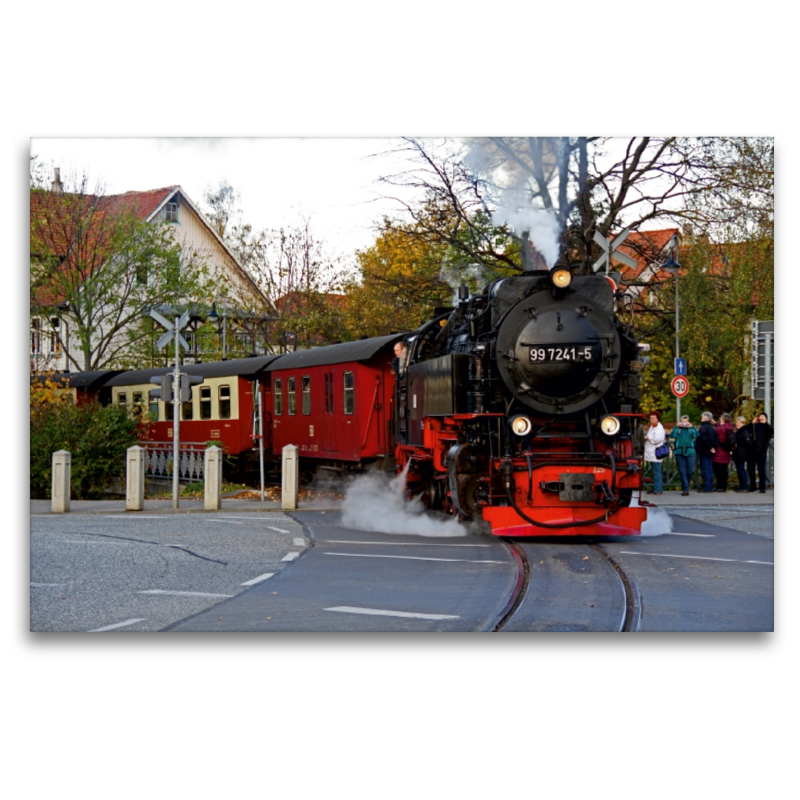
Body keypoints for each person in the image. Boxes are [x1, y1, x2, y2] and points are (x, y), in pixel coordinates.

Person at [669, 414, 698, 495]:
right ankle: (685, 489)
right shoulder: (678, 429)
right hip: (679, 451)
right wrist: (676, 426)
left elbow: (697, 435)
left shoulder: (690, 429)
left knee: (689, 471)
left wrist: (692, 427)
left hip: (690, 451)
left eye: (686, 422)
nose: (684, 423)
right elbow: (672, 435)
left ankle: (686, 486)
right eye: (683, 422)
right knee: (682, 471)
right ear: (680, 422)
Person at [748, 412, 774, 493]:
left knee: (761, 469)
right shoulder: (755, 426)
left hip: (761, 451)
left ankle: (762, 487)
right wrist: (752, 423)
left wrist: (765, 423)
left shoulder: (767, 427)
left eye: (763, 417)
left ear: (766, 419)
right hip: (752, 450)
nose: (761, 418)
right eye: (760, 417)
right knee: (751, 469)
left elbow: (771, 431)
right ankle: (753, 486)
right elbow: (747, 430)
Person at [695, 411, 719, 493]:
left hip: (704, 450)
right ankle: (710, 486)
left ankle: (707, 487)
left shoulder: (703, 427)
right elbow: (716, 439)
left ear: (704, 418)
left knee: (705, 468)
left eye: (702, 417)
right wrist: (713, 448)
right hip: (710, 451)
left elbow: (703, 438)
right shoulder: (712, 428)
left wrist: (710, 447)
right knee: (709, 468)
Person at [644, 411, 666, 494]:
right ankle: (656, 488)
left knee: (657, 471)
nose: (652, 419)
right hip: (652, 452)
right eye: (651, 418)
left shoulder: (659, 428)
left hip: (656, 452)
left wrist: (648, 437)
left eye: (653, 418)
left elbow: (658, 439)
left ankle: (658, 489)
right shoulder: (653, 426)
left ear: (657, 419)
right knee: (655, 471)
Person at [712, 413, 735, 492]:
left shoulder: (720, 429)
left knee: (718, 470)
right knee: (724, 470)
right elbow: (721, 428)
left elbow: (719, 433)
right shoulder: (730, 426)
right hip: (726, 451)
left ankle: (720, 487)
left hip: (719, 451)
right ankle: (723, 486)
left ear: (723, 419)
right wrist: (715, 423)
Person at [732, 415, 753, 492]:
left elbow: (748, 442)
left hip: (741, 453)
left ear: (743, 423)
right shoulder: (739, 430)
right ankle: (743, 486)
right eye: (737, 422)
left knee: (741, 470)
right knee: (740, 470)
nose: (738, 423)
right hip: (739, 452)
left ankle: (744, 487)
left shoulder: (743, 431)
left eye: (739, 422)